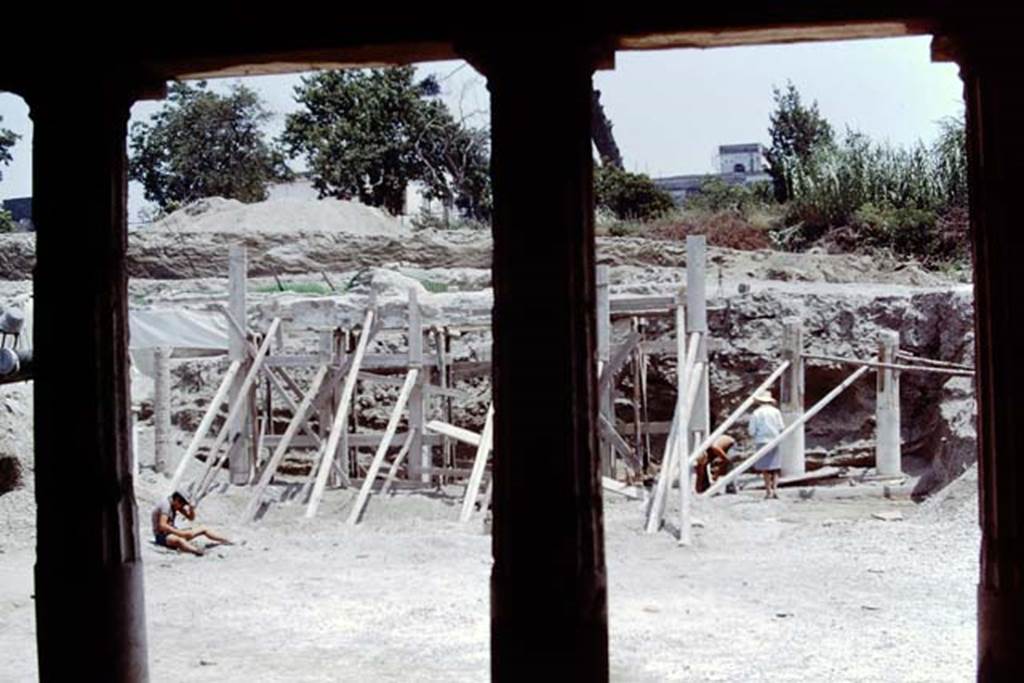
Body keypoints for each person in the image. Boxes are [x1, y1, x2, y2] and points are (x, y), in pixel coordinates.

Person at [151, 491, 231, 556]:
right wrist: (181, 533)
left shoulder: (175, 504)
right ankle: (197, 551)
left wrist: (191, 509)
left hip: (173, 532)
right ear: (177, 499)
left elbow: (190, 518)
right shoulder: (166, 505)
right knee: (179, 540)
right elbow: (162, 525)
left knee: (203, 529)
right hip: (162, 536)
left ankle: (226, 540)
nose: (182, 507)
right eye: (182, 504)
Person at [748, 391, 785, 499]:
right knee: (775, 467)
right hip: (774, 440)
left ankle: (768, 490)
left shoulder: (756, 413)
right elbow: (781, 427)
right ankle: (775, 490)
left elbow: (751, 430)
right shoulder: (776, 412)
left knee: (765, 468)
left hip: (762, 440)